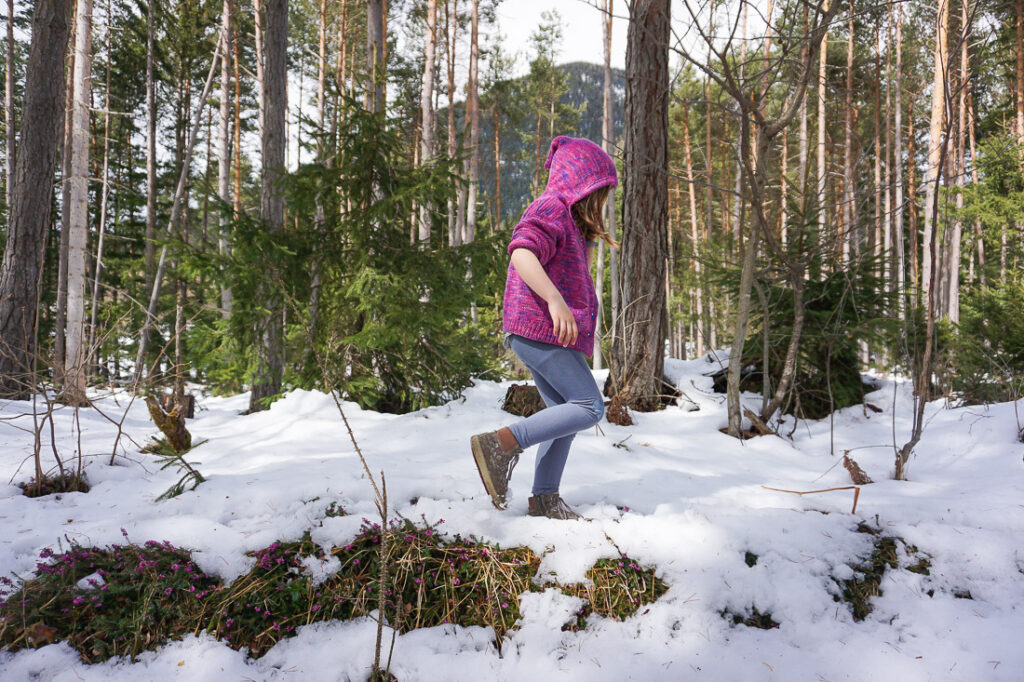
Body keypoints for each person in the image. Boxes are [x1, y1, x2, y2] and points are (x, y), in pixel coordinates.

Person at [471, 135, 618, 520]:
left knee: (564, 414)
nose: (601, 200)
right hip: (537, 329)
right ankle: (502, 443)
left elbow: (572, 273)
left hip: (542, 334)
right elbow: (522, 252)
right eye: (598, 190)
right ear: (579, 183)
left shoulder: (570, 224)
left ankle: (544, 498)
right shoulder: (550, 206)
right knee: (588, 406)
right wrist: (555, 301)